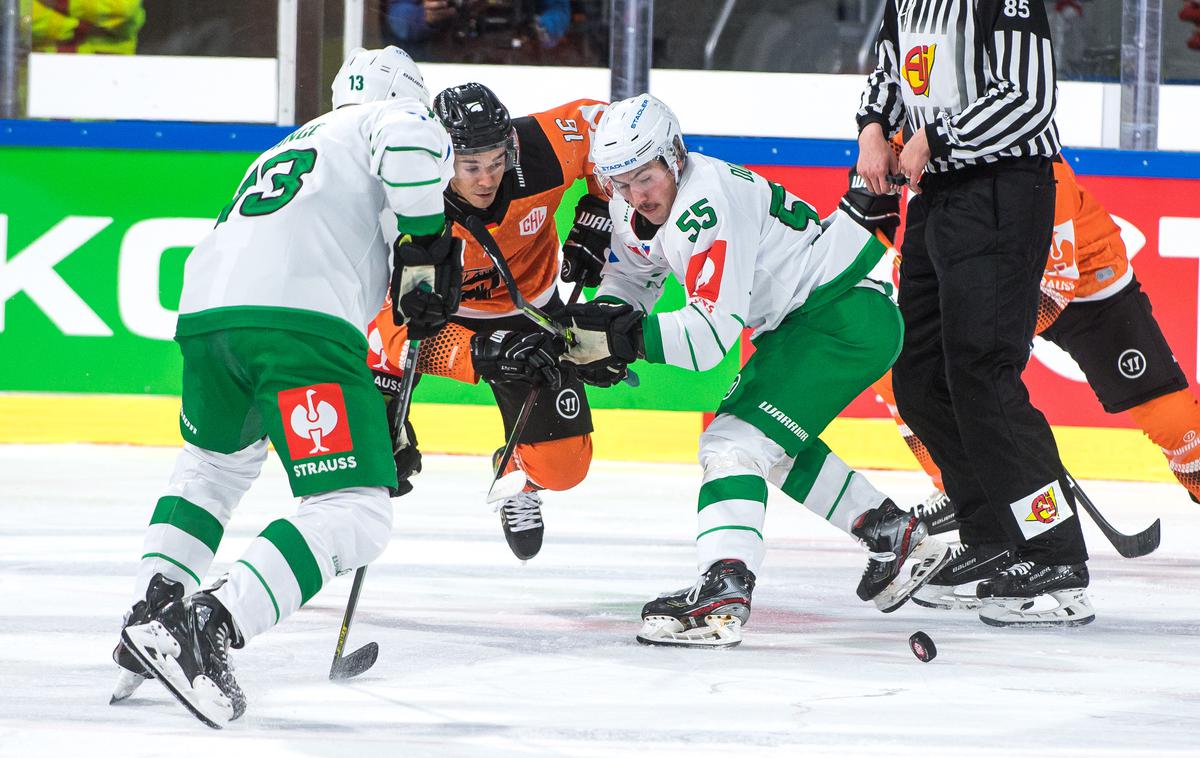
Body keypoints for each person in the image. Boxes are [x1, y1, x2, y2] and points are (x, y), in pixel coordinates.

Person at [110, 46, 462, 728]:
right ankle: (208, 621)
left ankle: (151, 613)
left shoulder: (294, 147)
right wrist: (426, 242)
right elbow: (411, 141)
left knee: (211, 471)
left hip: (209, 321)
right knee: (355, 510)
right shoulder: (391, 119)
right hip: (296, 330)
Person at [556, 93, 951, 648]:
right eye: (619, 182)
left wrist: (624, 339)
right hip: (813, 319)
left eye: (644, 176)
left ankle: (724, 588)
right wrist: (605, 325)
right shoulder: (633, 204)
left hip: (839, 314)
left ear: (673, 155)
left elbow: (709, 339)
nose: (635, 195)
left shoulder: (705, 204)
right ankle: (896, 534)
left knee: (731, 445)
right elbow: (634, 279)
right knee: (769, 444)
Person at [867, 158, 1200, 608]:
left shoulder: (1035, 168)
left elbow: (1053, 287)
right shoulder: (922, 168)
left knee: (1174, 423)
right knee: (908, 376)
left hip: (1086, 280)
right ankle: (965, 492)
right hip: (991, 275)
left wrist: (991, 365)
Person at [856, 0, 1092, 627]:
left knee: (983, 371)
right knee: (919, 376)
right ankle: (993, 539)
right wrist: (874, 127)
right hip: (937, 195)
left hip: (1004, 189)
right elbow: (891, 65)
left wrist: (938, 136)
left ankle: (1054, 552)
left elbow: (1028, 98)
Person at [371, 83, 609, 561]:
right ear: (440, 159)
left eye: (497, 162)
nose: (487, 180)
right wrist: (478, 353)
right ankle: (342, 517)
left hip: (528, 312)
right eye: (471, 167)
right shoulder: (404, 192)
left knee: (565, 468)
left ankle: (514, 466)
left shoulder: (541, 150)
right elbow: (384, 330)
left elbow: (604, 123)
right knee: (368, 451)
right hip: (433, 314)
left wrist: (600, 208)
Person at [32, 0, 144, 54]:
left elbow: (122, 8)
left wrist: (61, 3)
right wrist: (77, 27)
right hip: (37, 72)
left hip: (105, 78)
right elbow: (23, 18)